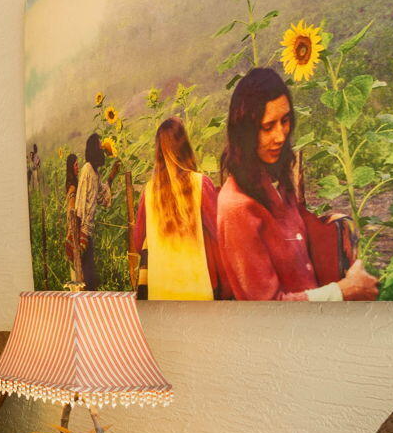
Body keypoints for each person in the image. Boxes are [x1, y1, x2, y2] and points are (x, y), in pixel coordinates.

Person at [216, 67, 378, 301]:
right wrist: (343, 291)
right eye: (267, 127)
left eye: (285, 120)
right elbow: (266, 307)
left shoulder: (275, 181)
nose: (281, 136)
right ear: (245, 132)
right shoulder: (236, 207)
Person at [129, 116, 221, 299]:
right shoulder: (201, 184)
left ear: (159, 152)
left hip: (160, 295)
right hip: (198, 293)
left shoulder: (149, 192)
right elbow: (221, 234)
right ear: (184, 146)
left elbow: (138, 241)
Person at [71, 134, 110, 288]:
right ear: (94, 149)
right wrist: (79, 232)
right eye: (100, 147)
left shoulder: (95, 172)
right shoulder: (87, 169)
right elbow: (80, 201)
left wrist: (112, 176)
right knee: (87, 275)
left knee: (89, 273)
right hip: (83, 230)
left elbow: (101, 198)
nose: (102, 149)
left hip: (89, 230)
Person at [63, 154, 84, 285]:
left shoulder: (73, 184)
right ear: (71, 167)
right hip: (74, 229)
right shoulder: (73, 187)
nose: (78, 167)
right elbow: (71, 211)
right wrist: (72, 230)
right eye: (76, 165)